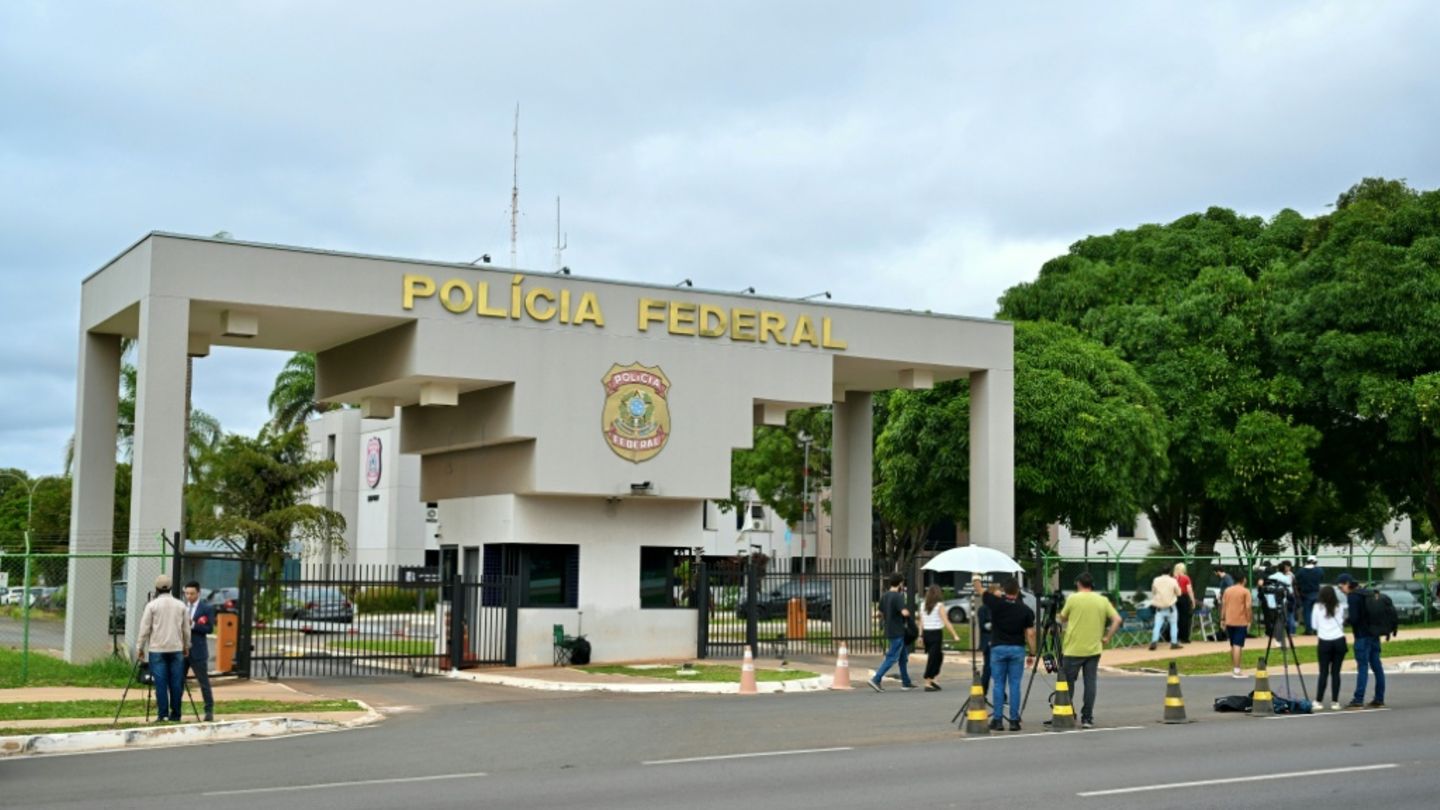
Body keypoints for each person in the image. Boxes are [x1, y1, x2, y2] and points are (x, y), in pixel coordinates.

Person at [1057, 572, 1122, 729]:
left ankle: (1067, 712)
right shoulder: (1102, 600)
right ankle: (1087, 717)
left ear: (1078, 584)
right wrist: (1107, 637)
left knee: (1068, 683)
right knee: (1090, 683)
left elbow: (1062, 618)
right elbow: (1117, 619)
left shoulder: (1073, 598)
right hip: (1093, 649)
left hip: (1073, 648)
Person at [974, 575, 1035, 731]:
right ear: (1018, 591)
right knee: (1015, 685)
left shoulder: (996, 604)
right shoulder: (1025, 610)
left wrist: (976, 577)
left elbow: (980, 590)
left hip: (998, 647)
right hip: (1017, 648)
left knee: (998, 684)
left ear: (1003, 590)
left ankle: (998, 720)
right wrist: (1032, 653)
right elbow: (1030, 633)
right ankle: (1014, 721)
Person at [135, 574, 190, 722]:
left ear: (156, 589)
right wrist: (186, 645)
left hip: (157, 649)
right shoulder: (180, 605)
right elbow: (186, 629)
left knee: (160, 683)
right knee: (176, 683)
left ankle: (163, 714)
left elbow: (144, 629)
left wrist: (140, 647)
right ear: (171, 588)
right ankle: (176, 714)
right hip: (176, 648)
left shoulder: (151, 606)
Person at [1338, 573, 1385, 708]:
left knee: (1363, 667)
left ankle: (1358, 699)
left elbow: (1355, 618)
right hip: (1374, 635)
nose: (1342, 590)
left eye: (1342, 587)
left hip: (1362, 636)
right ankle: (1379, 697)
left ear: (1347, 583)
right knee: (1377, 666)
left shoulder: (1353, 597)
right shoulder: (1368, 593)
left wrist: (1346, 621)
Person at [868, 573, 916, 692]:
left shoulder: (885, 596)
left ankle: (906, 682)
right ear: (900, 583)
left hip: (889, 629)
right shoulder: (898, 596)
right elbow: (904, 612)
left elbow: (880, 613)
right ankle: (876, 679)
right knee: (892, 657)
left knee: (903, 658)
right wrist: (908, 614)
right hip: (898, 631)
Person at [918, 585, 962, 692]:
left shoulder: (923, 605)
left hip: (927, 634)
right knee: (933, 659)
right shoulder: (939, 605)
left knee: (938, 656)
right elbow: (946, 621)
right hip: (936, 633)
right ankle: (928, 682)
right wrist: (954, 635)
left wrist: (920, 635)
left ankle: (933, 679)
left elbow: (921, 622)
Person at [182, 581, 216, 721]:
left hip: (198, 650)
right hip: (182, 650)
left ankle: (208, 711)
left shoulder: (206, 608)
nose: (189, 596)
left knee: (203, 682)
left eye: (192, 593)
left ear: (198, 593)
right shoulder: (181, 607)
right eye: (187, 593)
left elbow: (209, 629)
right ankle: (175, 711)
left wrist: (194, 624)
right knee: (178, 681)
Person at [1311, 584, 1348, 710]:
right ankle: (1335, 701)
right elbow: (1342, 622)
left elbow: (1314, 625)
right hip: (1339, 640)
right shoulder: (1339, 607)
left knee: (1323, 672)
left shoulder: (1317, 607)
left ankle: (1318, 700)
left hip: (1324, 641)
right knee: (1336, 672)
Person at [1220, 571, 1252, 678]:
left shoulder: (1227, 591)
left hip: (1229, 620)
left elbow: (1223, 605)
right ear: (1243, 579)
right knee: (1238, 645)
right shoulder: (1245, 591)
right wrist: (1249, 620)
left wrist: (1222, 619)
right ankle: (1237, 670)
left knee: (1233, 645)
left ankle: (1234, 667)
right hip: (1241, 620)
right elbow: (1248, 607)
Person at [1148, 568, 1182, 651]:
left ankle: (1154, 641)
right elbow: (1179, 593)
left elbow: (1153, 591)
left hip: (1159, 607)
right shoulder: (1173, 580)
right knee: (1173, 625)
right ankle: (1174, 643)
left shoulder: (1156, 580)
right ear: (1170, 572)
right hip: (1171, 607)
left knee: (1157, 625)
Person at [977, 580, 1001, 693]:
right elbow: (983, 626)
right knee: (989, 667)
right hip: (988, 641)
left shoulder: (1000, 607)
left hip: (999, 641)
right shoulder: (983, 609)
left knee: (999, 668)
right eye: (996, 596)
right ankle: (983, 690)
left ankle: (1001, 693)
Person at [1295, 556, 1324, 635]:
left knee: (1307, 612)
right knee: (1317, 612)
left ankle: (1309, 629)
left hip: (1305, 594)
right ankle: (1317, 629)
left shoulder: (1301, 571)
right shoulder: (1319, 570)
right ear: (1315, 562)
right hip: (1317, 593)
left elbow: (1296, 580)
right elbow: (1321, 578)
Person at [1173, 562, 1197, 644]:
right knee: (1185, 618)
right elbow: (1189, 590)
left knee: (1176, 618)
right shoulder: (1186, 578)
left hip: (1175, 598)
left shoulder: (1174, 578)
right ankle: (1184, 637)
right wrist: (1193, 601)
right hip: (1184, 598)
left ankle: (1175, 636)